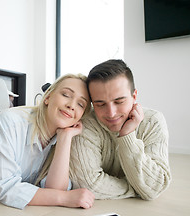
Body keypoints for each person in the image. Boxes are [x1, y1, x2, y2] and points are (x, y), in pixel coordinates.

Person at [0, 73, 95, 209]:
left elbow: (55, 188)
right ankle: (8, 115)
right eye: (66, 95)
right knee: (5, 124)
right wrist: (64, 198)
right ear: (48, 97)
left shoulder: (70, 134)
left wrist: (65, 138)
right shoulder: (8, 121)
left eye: (81, 104)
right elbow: (4, 187)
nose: (72, 105)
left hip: (16, 140)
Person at [68, 59, 172, 200]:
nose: (111, 113)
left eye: (119, 102)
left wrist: (127, 135)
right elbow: (87, 184)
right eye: (100, 104)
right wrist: (137, 189)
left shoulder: (153, 121)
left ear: (134, 96)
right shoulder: (85, 123)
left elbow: (155, 186)